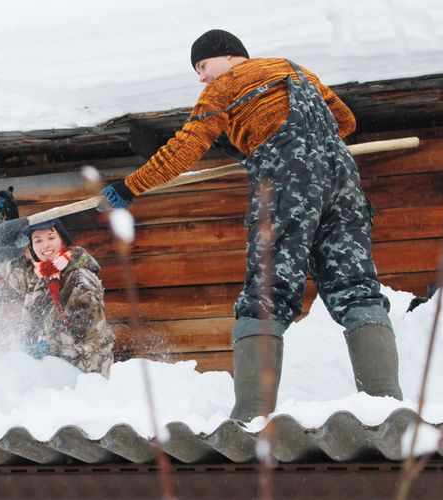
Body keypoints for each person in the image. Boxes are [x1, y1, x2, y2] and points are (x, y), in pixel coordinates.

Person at [101, 29, 403, 421]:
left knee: (267, 292)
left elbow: (185, 148)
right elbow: (344, 120)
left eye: (202, 66)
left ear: (226, 57)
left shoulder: (225, 85)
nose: (201, 78)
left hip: (286, 182)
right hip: (342, 177)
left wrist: (130, 186)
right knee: (355, 288)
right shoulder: (296, 70)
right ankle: (387, 408)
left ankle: (251, 416)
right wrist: (266, 137)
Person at [0, 218, 114, 377]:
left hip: (84, 375)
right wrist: (3, 231)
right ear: (32, 248)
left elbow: (90, 333)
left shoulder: (80, 278)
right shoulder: (40, 277)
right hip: (50, 371)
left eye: (51, 238)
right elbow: (10, 268)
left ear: (63, 242)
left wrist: (48, 347)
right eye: (38, 241)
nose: (45, 245)